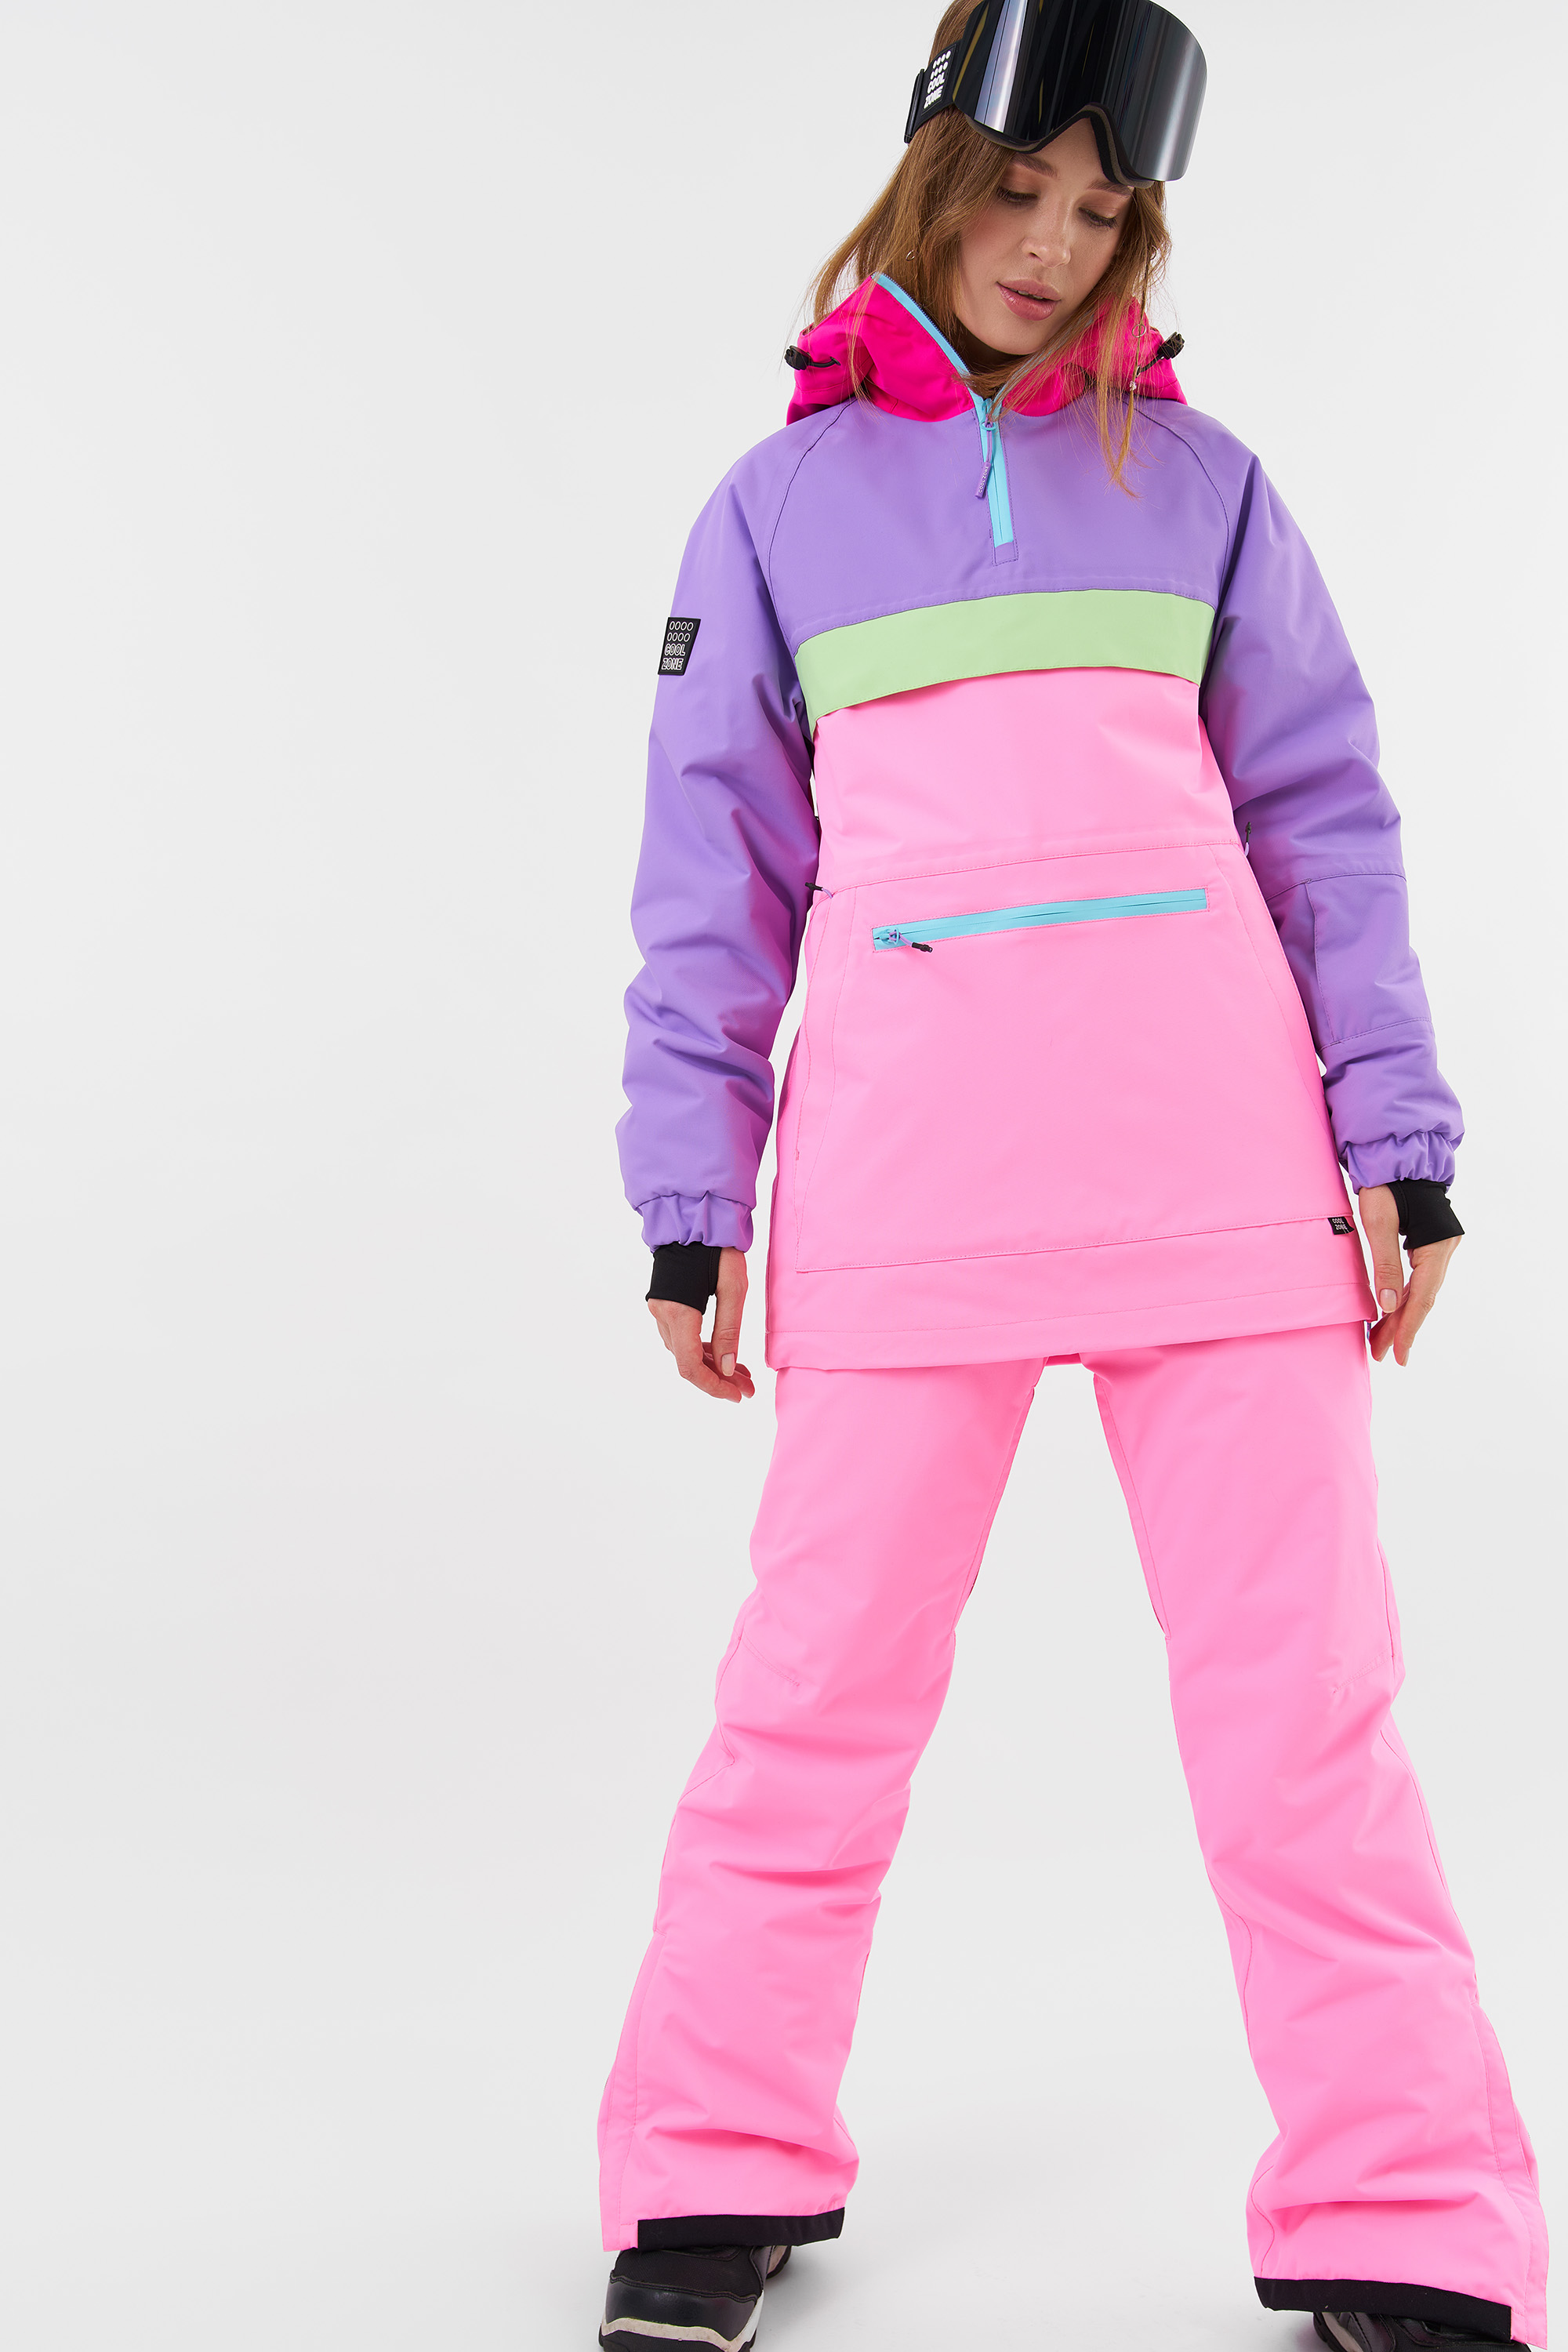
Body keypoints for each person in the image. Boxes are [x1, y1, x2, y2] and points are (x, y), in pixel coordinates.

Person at [600, 5, 1547, 2347]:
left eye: (1103, 211)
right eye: (1020, 190)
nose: (1051, 245)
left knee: (1306, 1721)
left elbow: (1327, 826)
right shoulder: (775, 512)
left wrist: (1399, 1149)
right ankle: (712, 2169)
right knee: (811, 1708)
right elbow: (712, 878)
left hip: (1225, 1196)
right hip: (903, 1200)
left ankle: (1408, 2209)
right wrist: (692, 1199)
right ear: (934, 171)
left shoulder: (1207, 485)